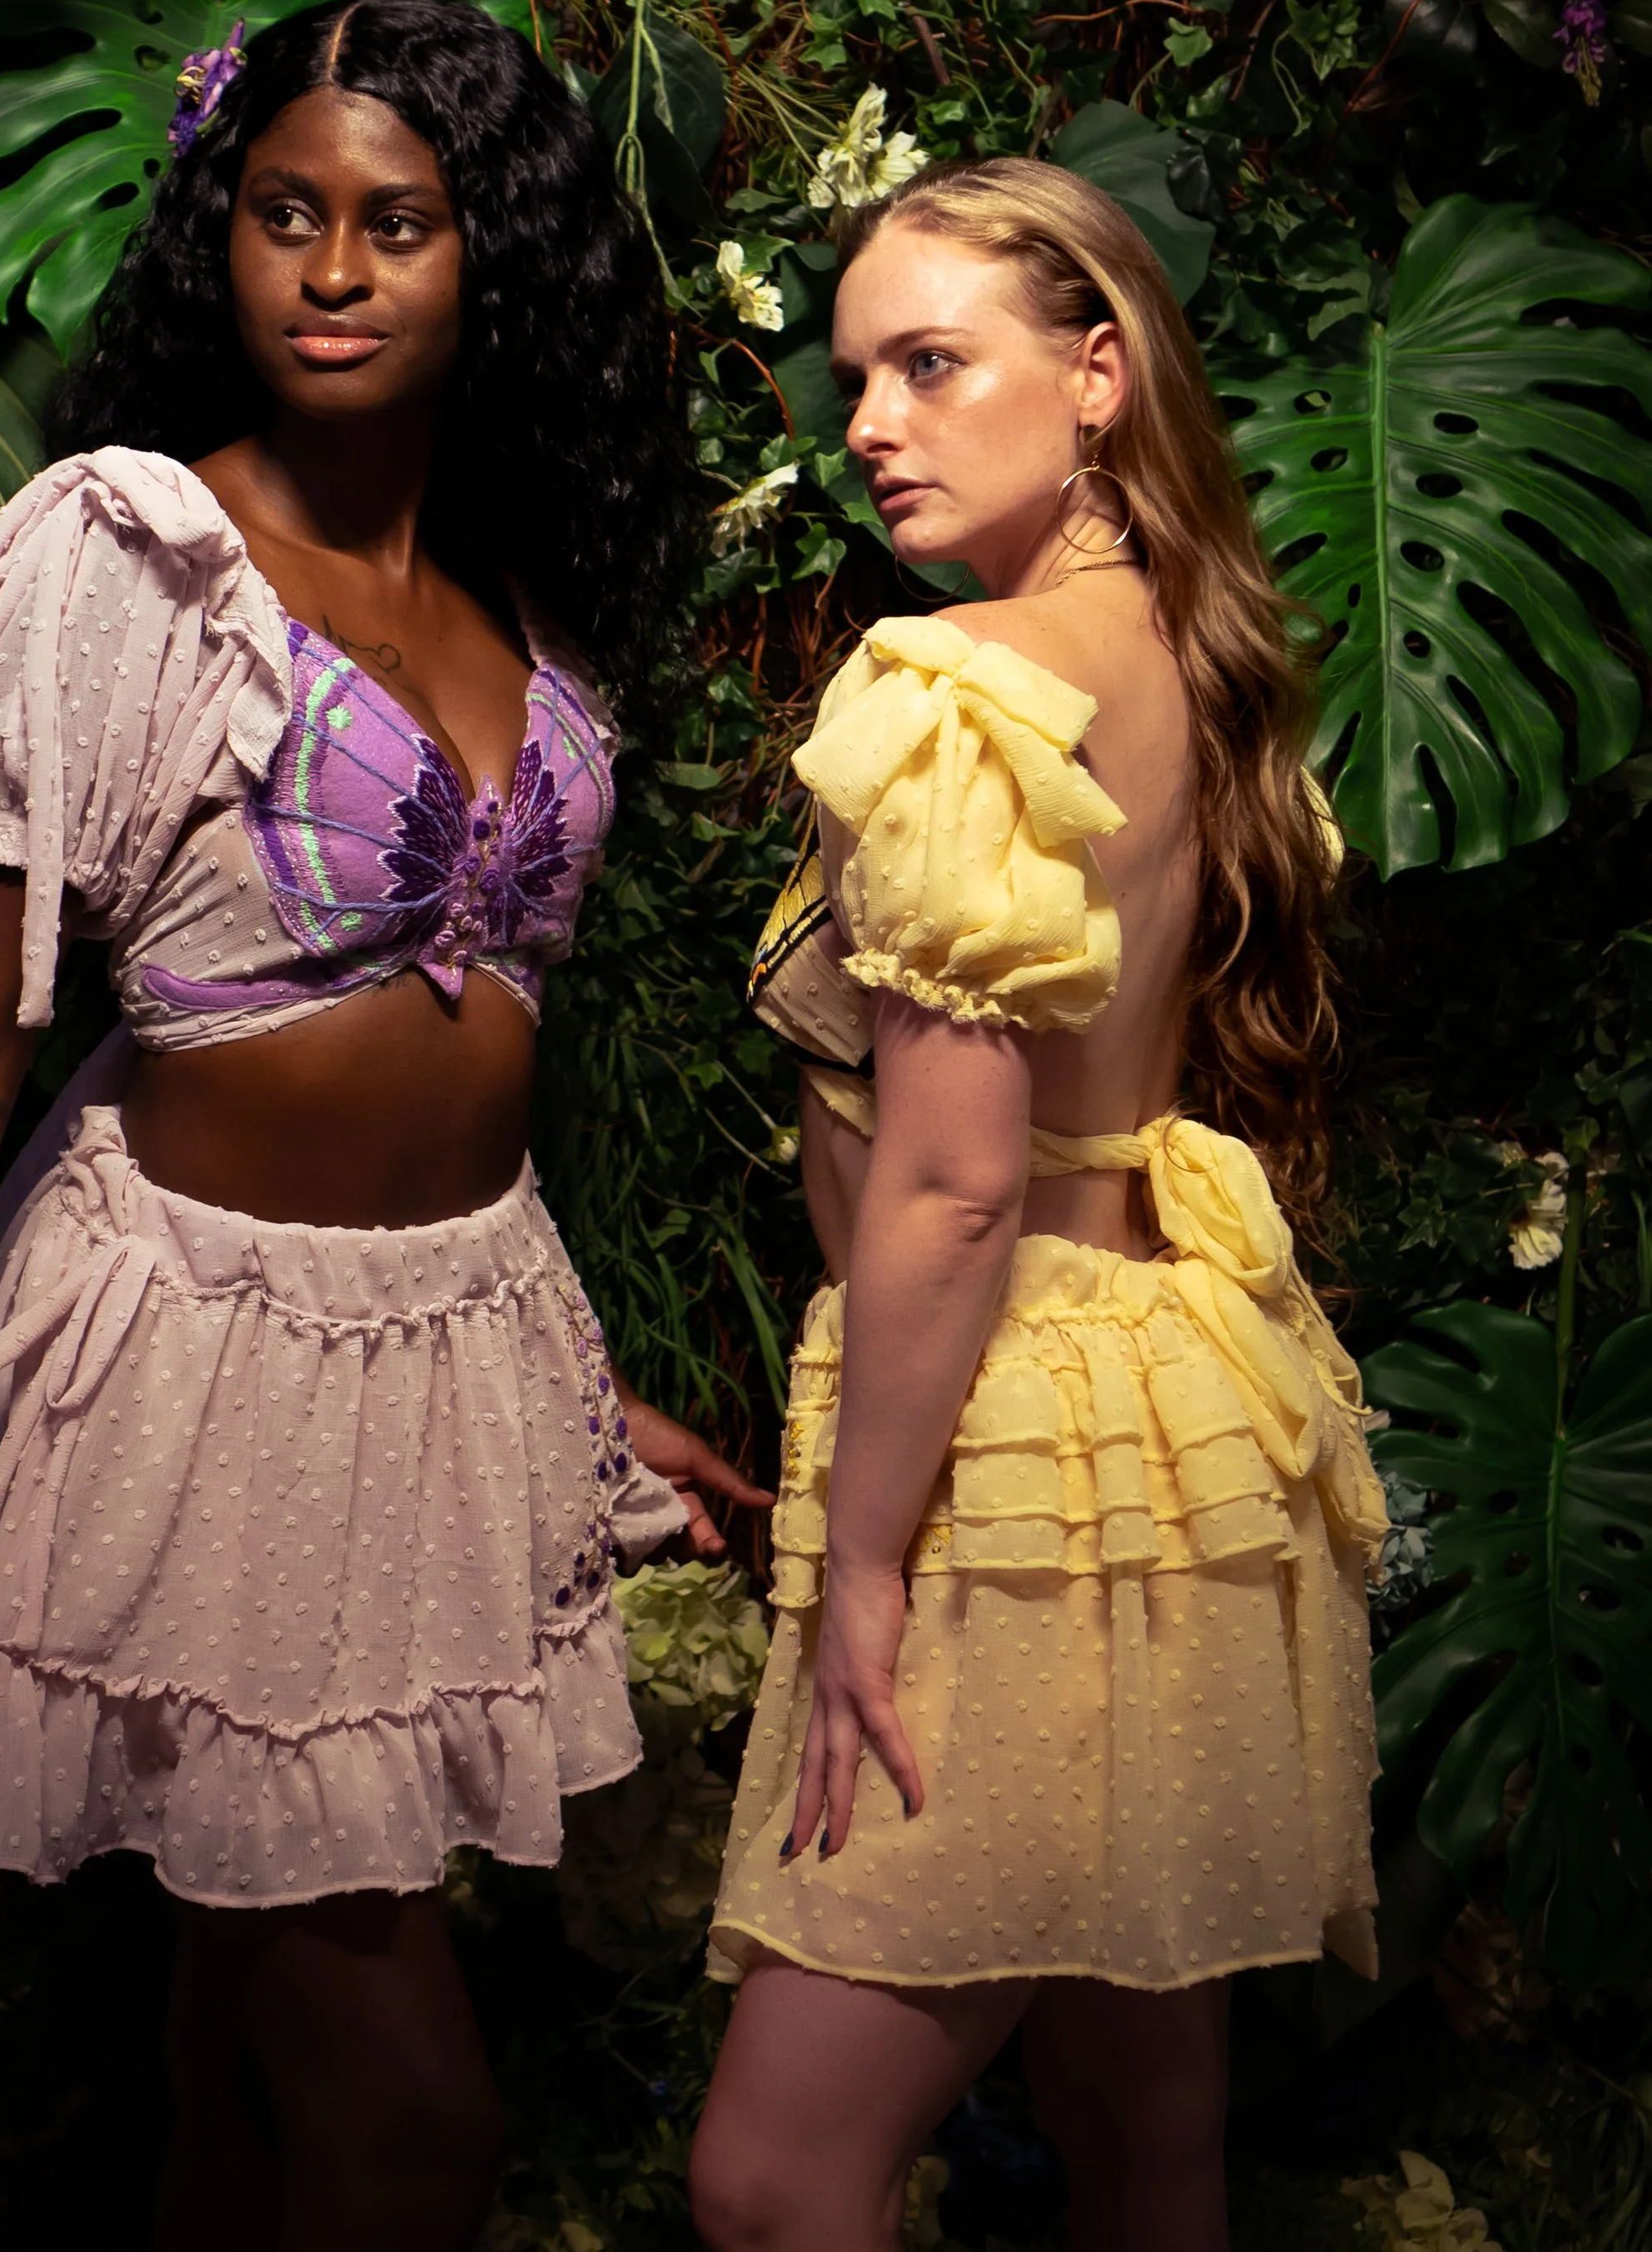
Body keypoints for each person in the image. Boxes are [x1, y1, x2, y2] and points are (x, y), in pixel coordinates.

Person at [0, 0, 767, 2252]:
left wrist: (569, 1397)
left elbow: (451, 1091)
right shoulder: (130, 562)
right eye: (285, 213)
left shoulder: (506, 593)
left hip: (444, 1353)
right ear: (216, 236)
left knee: (243, 2047)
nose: (331, 268)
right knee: (414, 2125)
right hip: (200, 1374)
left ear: (486, 260)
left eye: (397, 222)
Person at [689, 158, 1385, 2252]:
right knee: (1136, 2110)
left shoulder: (966, 682)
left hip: (1013, 1453)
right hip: (1176, 1402)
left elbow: (947, 1185)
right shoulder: (1168, 648)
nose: (872, 425)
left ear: (1095, 376)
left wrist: (871, 1564)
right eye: (852, 382)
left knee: (768, 2177)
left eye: (930, 363)